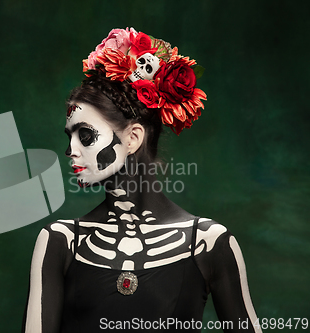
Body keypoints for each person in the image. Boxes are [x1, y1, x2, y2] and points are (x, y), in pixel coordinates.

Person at [22, 28, 261, 333]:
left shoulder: (209, 242)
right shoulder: (61, 242)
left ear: (133, 137)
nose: (70, 150)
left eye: (85, 135)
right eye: (69, 137)